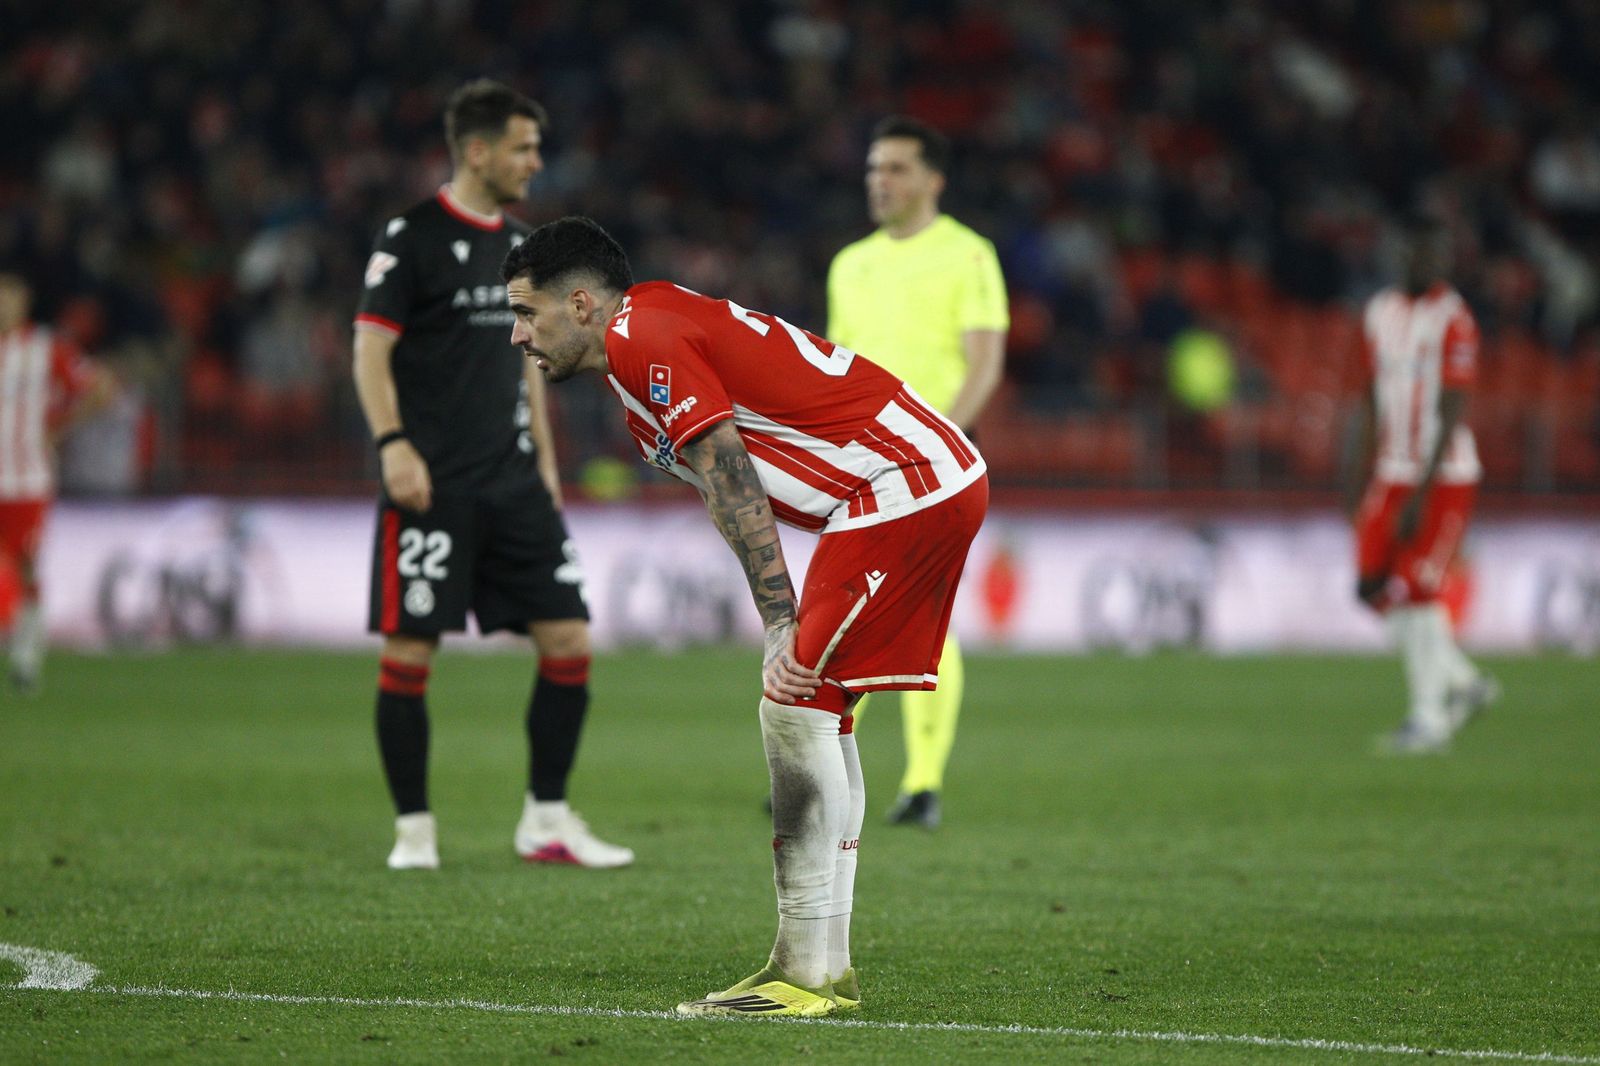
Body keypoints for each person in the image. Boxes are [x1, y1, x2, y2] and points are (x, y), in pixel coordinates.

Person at [500, 216, 989, 1017]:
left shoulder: (639, 337)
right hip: (901, 486)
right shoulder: (644, 339)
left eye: (527, 312)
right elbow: (726, 493)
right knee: (817, 709)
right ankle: (823, 971)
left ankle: (804, 972)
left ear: (581, 303)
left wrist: (777, 620)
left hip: (899, 485)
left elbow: (732, 474)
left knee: (795, 701)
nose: (519, 335)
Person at [351, 81, 630, 870]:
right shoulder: (409, 237)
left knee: (568, 636)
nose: (536, 162)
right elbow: (368, 350)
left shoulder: (520, 246)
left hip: (512, 482)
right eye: (523, 147)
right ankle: (414, 831)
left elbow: (533, 366)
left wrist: (545, 467)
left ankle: (546, 818)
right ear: (477, 150)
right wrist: (392, 444)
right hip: (429, 483)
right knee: (410, 655)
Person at [825, 116, 1008, 828]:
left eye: (896, 168)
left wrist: (946, 442)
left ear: (934, 179)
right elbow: (836, 370)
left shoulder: (968, 256)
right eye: (874, 168)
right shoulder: (851, 263)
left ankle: (923, 783)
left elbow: (986, 359)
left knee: (925, 618)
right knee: (848, 613)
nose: (881, 181)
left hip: (937, 463)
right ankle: (829, 767)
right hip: (862, 466)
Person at [1348, 213, 1498, 754]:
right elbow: (1368, 394)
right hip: (1390, 471)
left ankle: (1428, 719)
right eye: (1415, 254)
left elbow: (1453, 406)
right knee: (1369, 587)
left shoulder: (1454, 320)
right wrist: (1359, 474)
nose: (1423, 264)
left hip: (1444, 475)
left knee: (1415, 587)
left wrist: (1425, 490)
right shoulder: (1380, 312)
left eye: (1434, 256)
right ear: (1400, 257)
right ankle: (1463, 681)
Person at [0, 271, 113, 693]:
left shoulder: (46, 349)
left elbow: (101, 388)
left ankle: (26, 654)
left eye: (8, 297)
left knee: (26, 568)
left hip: (27, 480)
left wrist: (59, 428)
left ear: (23, 302)